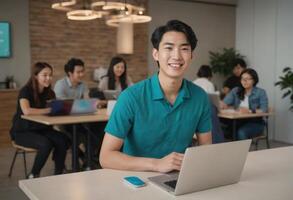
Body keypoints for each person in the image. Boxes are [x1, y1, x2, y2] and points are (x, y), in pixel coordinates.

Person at [99, 20, 212, 173]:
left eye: (184, 49)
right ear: (156, 54)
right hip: (135, 180)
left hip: (178, 179)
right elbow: (106, 157)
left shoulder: (200, 97)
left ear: (191, 55)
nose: (176, 56)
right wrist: (157, 164)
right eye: (169, 48)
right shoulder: (131, 97)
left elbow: (206, 150)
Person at [10, 62, 68, 178]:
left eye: (50, 75)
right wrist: (48, 110)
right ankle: (33, 174)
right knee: (45, 144)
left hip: (42, 129)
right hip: (23, 131)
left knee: (63, 140)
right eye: (45, 75)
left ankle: (58, 174)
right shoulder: (25, 91)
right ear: (36, 76)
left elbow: (54, 111)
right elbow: (26, 110)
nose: (48, 78)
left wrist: (62, 109)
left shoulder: (50, 93)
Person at [221, 68, 268, 140]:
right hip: (237, 121)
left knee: (241, 132)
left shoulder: (260, 92)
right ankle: (231, 150)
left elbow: (264, 109)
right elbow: (225, 103)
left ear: (254, 80)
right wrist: (222, 104)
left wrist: (250, 111)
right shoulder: (236, 90)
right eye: (242, 79)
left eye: (247, 79)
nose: (244, 81)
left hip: (255, 123)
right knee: (221, 129)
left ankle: (243, 151)